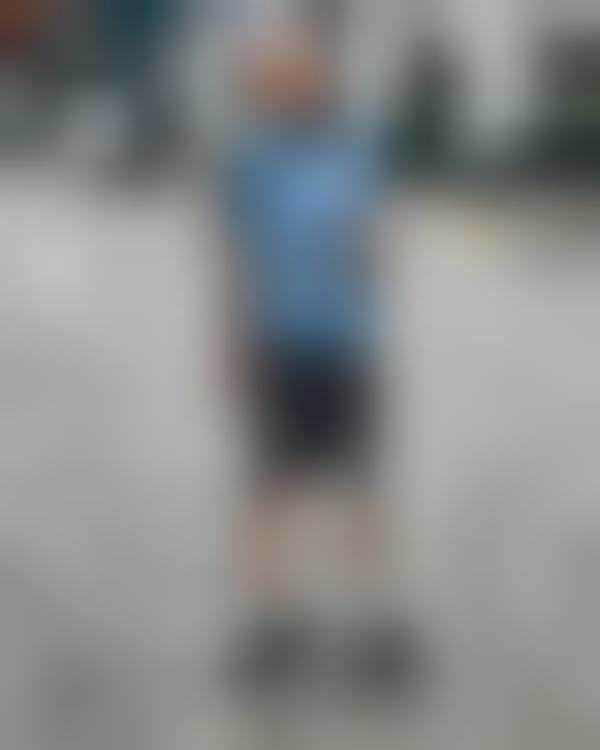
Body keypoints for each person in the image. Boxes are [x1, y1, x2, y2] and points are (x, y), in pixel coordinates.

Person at [223, 28, 410, 693]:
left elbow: (376, 251)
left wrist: (364, 247)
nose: (288, 88)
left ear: (320, 82)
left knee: (361, 487)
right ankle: (273, 626)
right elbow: (240, 262)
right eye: (273, 81)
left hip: (346, 344)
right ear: (263, 93)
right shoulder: (253, 165)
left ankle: (372, 625)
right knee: (270, 490)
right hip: (281, 344)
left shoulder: (356, 153)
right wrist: (234, 349)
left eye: (298, 75)